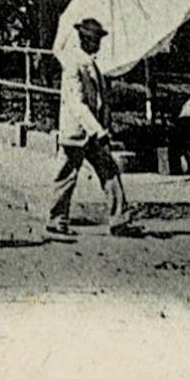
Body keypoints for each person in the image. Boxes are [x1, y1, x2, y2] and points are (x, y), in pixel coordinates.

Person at [49, 17, 136, 238]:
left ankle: (120, 219)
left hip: (92, 133)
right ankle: (57, 219)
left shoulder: (90, 62)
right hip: (78, 131)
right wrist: (96, 129)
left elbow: (97, 98)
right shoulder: (73, 64)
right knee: (67, 175)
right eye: (95, 39)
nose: (98, 43)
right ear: (85, 40)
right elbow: (76, 103)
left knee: (109, 171)